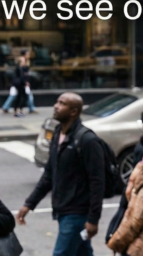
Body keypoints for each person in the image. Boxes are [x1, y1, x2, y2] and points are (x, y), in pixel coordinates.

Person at [16, 92, 105, 256]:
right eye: (57, 102)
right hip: (63, 209)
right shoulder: (57, 133)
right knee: (82, 252)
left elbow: (97, 182)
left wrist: (93, 219)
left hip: (77, 212)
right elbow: (49, 174)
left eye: (62, 103)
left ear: (73, 112)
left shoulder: (87, 140)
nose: (56, 106)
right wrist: (29, 204)